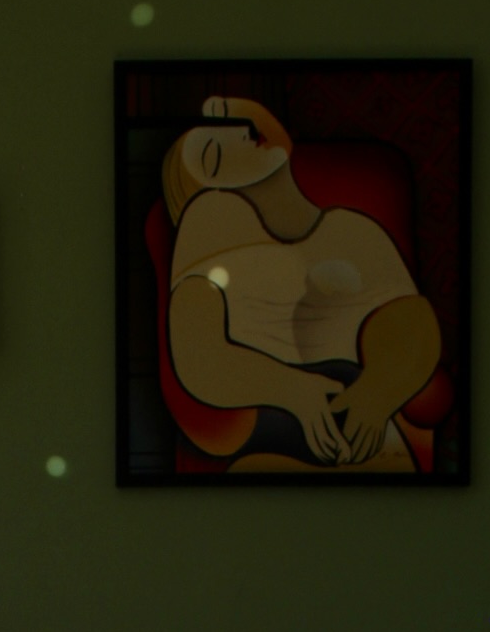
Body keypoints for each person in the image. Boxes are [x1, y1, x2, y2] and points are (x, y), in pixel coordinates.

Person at [162, 96, 442, 472]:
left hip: (370, 434)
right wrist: (293, 391)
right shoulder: (207, 227)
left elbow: (411, 321)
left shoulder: (353, 229)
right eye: (215, 155)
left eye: (237, 127)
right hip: (270, 435)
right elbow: (198, 353)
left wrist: (377, 395)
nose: (241, 138)